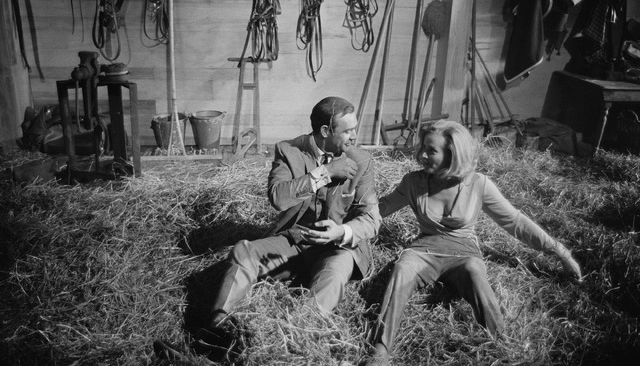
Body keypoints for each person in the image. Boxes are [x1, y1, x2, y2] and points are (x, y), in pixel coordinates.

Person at [365, 119, 582, 365]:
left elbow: (515, 222)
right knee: (402, 269)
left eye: (431, 150)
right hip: (423, 249)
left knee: (474, 273)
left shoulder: (478, 184)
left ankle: (503, 347)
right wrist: (343, 219)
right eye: (423, 147)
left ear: (453, 154)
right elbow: (380, 209)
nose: (422, 155)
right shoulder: (413, 182)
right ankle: (381, 350)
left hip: (464, 252)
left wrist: (560, 252)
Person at [200, 96, 381, 354]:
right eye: (348, 130)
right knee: (243, 251)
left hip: (337, 248)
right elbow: (278, 198)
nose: (354, 136)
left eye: (355, 128)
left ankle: (294, 342)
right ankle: (217, 334)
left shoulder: (361, 160)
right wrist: (326, 173)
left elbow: (372, 219)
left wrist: (341, 231)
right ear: (325, 131)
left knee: (333, 274)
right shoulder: (289, 150)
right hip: (294, 242)